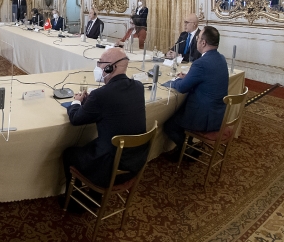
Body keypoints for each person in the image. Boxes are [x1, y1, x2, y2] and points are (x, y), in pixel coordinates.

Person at [61, 48, 147, 200]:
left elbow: (75, 119)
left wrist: (76, 102)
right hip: (135, 162)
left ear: (110, 68)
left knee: (69, 153)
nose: (97, 66)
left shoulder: (100, 95)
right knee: (95, 143)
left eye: (100, 63)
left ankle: (74, 199)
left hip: (110, 169)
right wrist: (91, 102)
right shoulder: (138, 87)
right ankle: (94, 196)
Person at [163, 26, 229, 160]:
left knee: (169, 124)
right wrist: (187, 77)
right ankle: (186, 147)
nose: (197, 40)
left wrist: (171, 82)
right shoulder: (221, 58)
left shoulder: (201, 63)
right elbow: (205, 78)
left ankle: (187, 149)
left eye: (198, 38)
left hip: (204, 117)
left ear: (203, 43)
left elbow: (182, 88)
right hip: (217, 113)